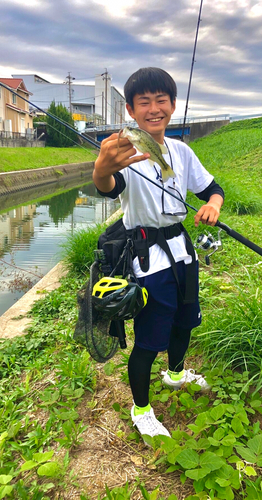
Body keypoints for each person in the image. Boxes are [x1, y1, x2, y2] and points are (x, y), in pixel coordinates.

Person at [93, 67, 224, 439]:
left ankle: (177, 374)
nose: (154, 108)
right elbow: (107, 185)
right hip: (148, 258)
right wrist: (101, 170)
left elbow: (213, 188)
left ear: (173, 105)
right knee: (149, 339)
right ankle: (141, 409)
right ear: (131, 112)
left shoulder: (182, 151)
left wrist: (213, 205)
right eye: (144, 102)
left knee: (186, 320)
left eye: (160, 100)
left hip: (183, 252)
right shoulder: (126, 149)